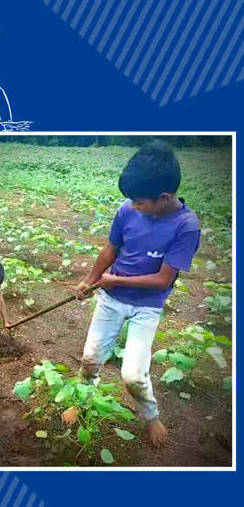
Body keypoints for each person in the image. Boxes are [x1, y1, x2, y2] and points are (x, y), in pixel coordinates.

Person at [71, 140, 201, 448]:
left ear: (164, 198)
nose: (133, 207)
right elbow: (110, 249)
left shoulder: (186, 226)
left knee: (132, 375)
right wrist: (90, 280)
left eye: (140, 202)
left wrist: (115, 280)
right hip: (111, 298)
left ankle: (150, 415)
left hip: (146, 306)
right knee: (90, 358)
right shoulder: (127, 210)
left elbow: (163, 280)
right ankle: (82, 398)